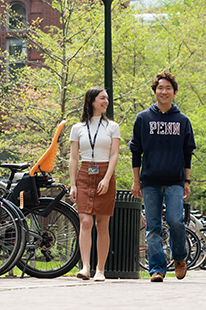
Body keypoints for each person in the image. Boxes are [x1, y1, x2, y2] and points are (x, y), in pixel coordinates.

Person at [129, 71, 196, 282]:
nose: (163, 91)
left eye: (168, 88)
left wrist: (186, 180)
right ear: (155, 91)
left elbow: (188, 153)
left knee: (176, 221)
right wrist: (136, 180)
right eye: (160, 88)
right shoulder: (143, 118)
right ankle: (157, 269)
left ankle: (179, 257)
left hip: (175, 180)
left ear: (174, 92)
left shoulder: (182, 121)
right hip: (150, 181)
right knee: (153, 227)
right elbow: (135, 151)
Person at [69, 87, 120, 282]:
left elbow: (114, 154)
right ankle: (86, 267)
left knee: (102, 224)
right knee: (85, 222)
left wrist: (107, 178)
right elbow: (73, 158)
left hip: (104, 172)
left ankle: (100, 269)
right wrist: (73, 184)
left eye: (107, 98)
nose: (106, 102)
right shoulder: (77, 128)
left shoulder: (112, 127)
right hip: (84, 174)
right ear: (91, 101)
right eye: (102, 98)